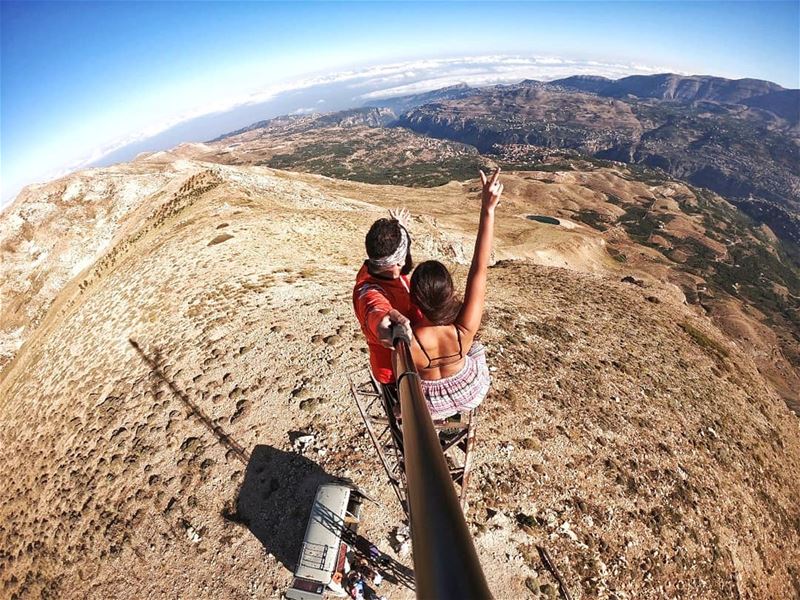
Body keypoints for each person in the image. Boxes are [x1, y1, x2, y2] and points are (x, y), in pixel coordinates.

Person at [409, 167, 503, 419]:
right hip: (469, 391)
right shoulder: (464, 328)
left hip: (431, 407)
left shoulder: (409, 339)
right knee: (476, 348)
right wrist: (488, 210)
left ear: (415, 298)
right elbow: (478, 270)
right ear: (449, 293)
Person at [353, 209, 421, 396]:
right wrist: (381, 321)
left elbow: (393, 254)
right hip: (396, 373)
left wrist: (399, 228)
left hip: (403, 364)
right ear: (399, 261)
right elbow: (374, 307)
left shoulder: (377, 268)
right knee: (404, 418)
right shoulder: (368, 291)